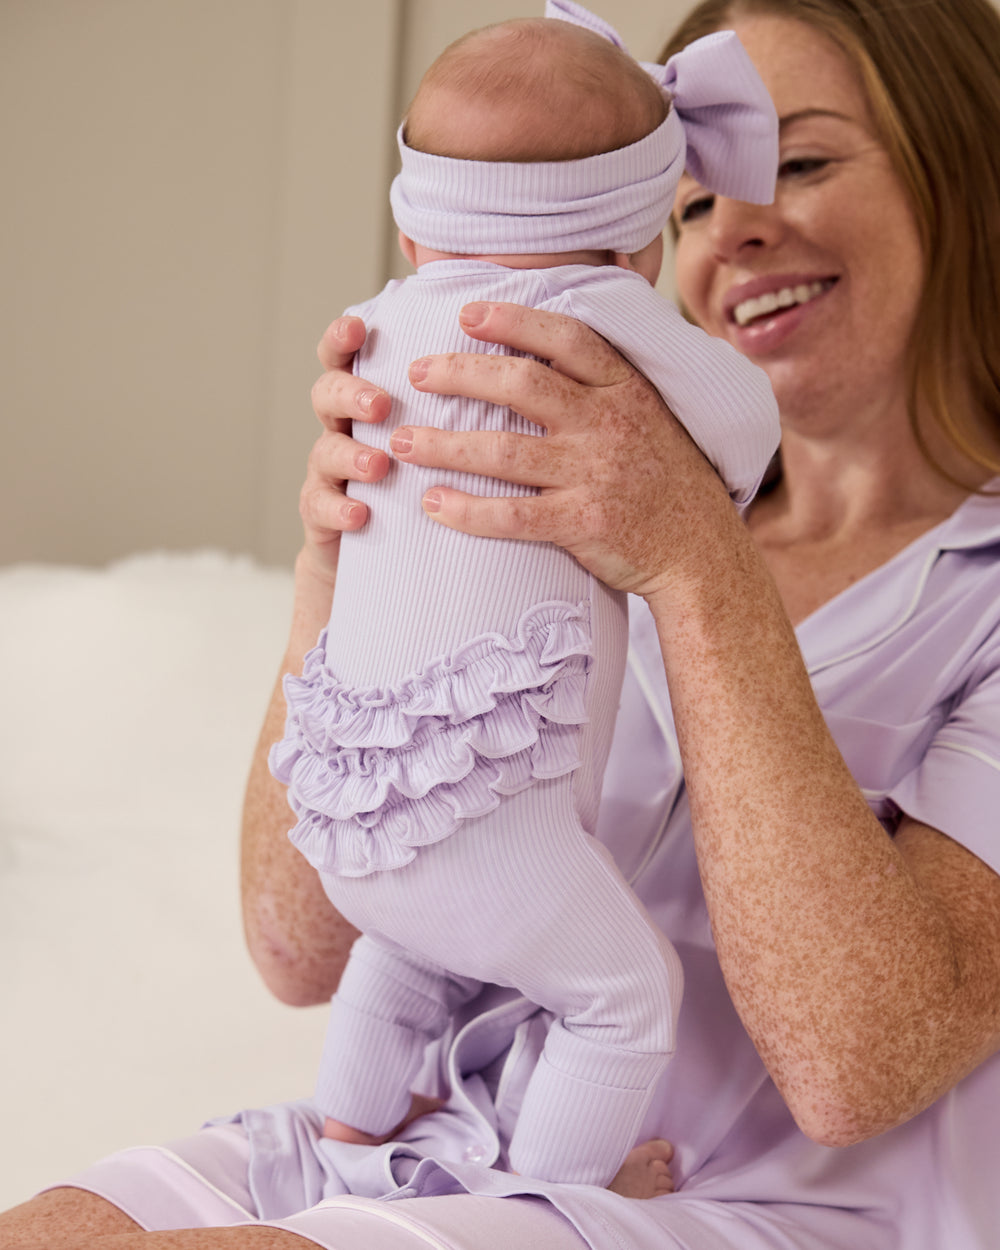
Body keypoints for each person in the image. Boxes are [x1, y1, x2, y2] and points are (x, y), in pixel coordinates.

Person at [4, 0, 1000, 1247]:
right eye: (691, 204)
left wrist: (696, 560)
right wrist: (337, 560)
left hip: (751, 1204)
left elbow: (853, 1067)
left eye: (799, 161)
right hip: (441, 1132)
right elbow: (298, 951)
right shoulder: (554, 497)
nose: (734, 228)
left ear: (968, 168)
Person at [272, 0, 779, 1191]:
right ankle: (547, 1200)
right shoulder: (589, 314)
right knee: (626, 995)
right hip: (489, 829)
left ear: (413, 227)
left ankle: (343, 1138)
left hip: (356, 809)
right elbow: (745, 422)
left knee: (406, 943)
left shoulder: (376, 328)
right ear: (635, 238)